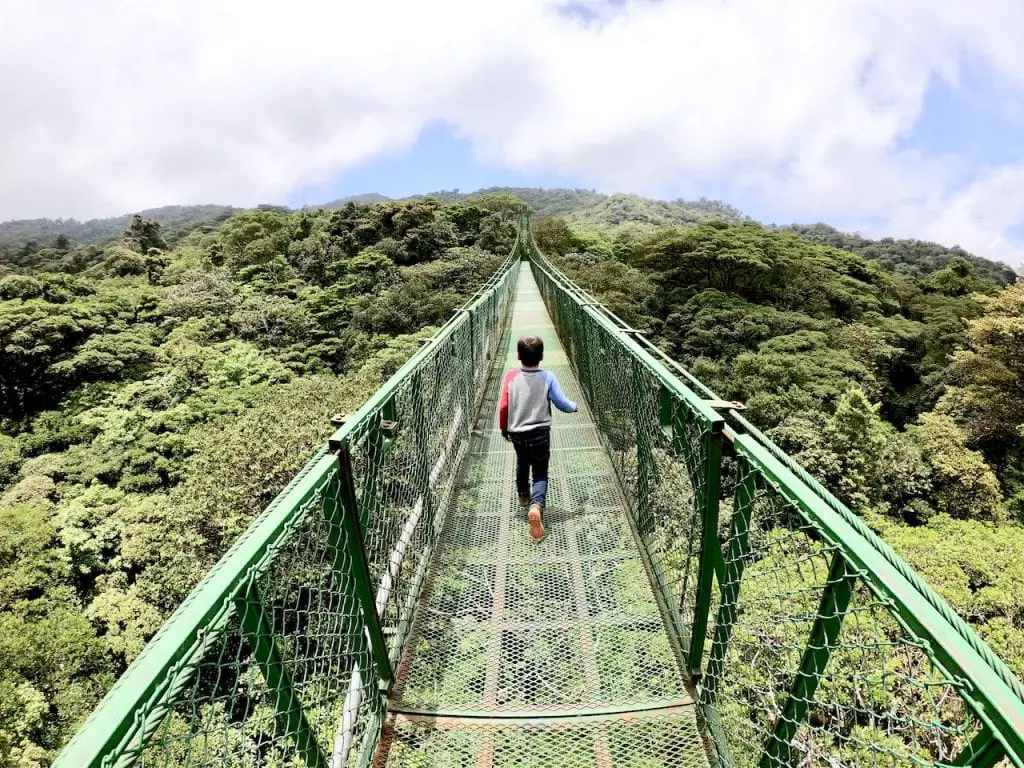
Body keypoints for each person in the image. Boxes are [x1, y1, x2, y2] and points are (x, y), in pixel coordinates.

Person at [498, 335, 578, 541]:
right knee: (540, 472)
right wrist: (573, 407)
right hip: (540, 433)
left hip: (516, 432)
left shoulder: (510, 377)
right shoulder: (548, 377)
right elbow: (561, 403)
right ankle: (536, 505)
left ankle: (523, 495)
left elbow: (504, 406)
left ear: (518, 356)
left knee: (522, 463)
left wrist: (503, 428)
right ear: (542, 356)